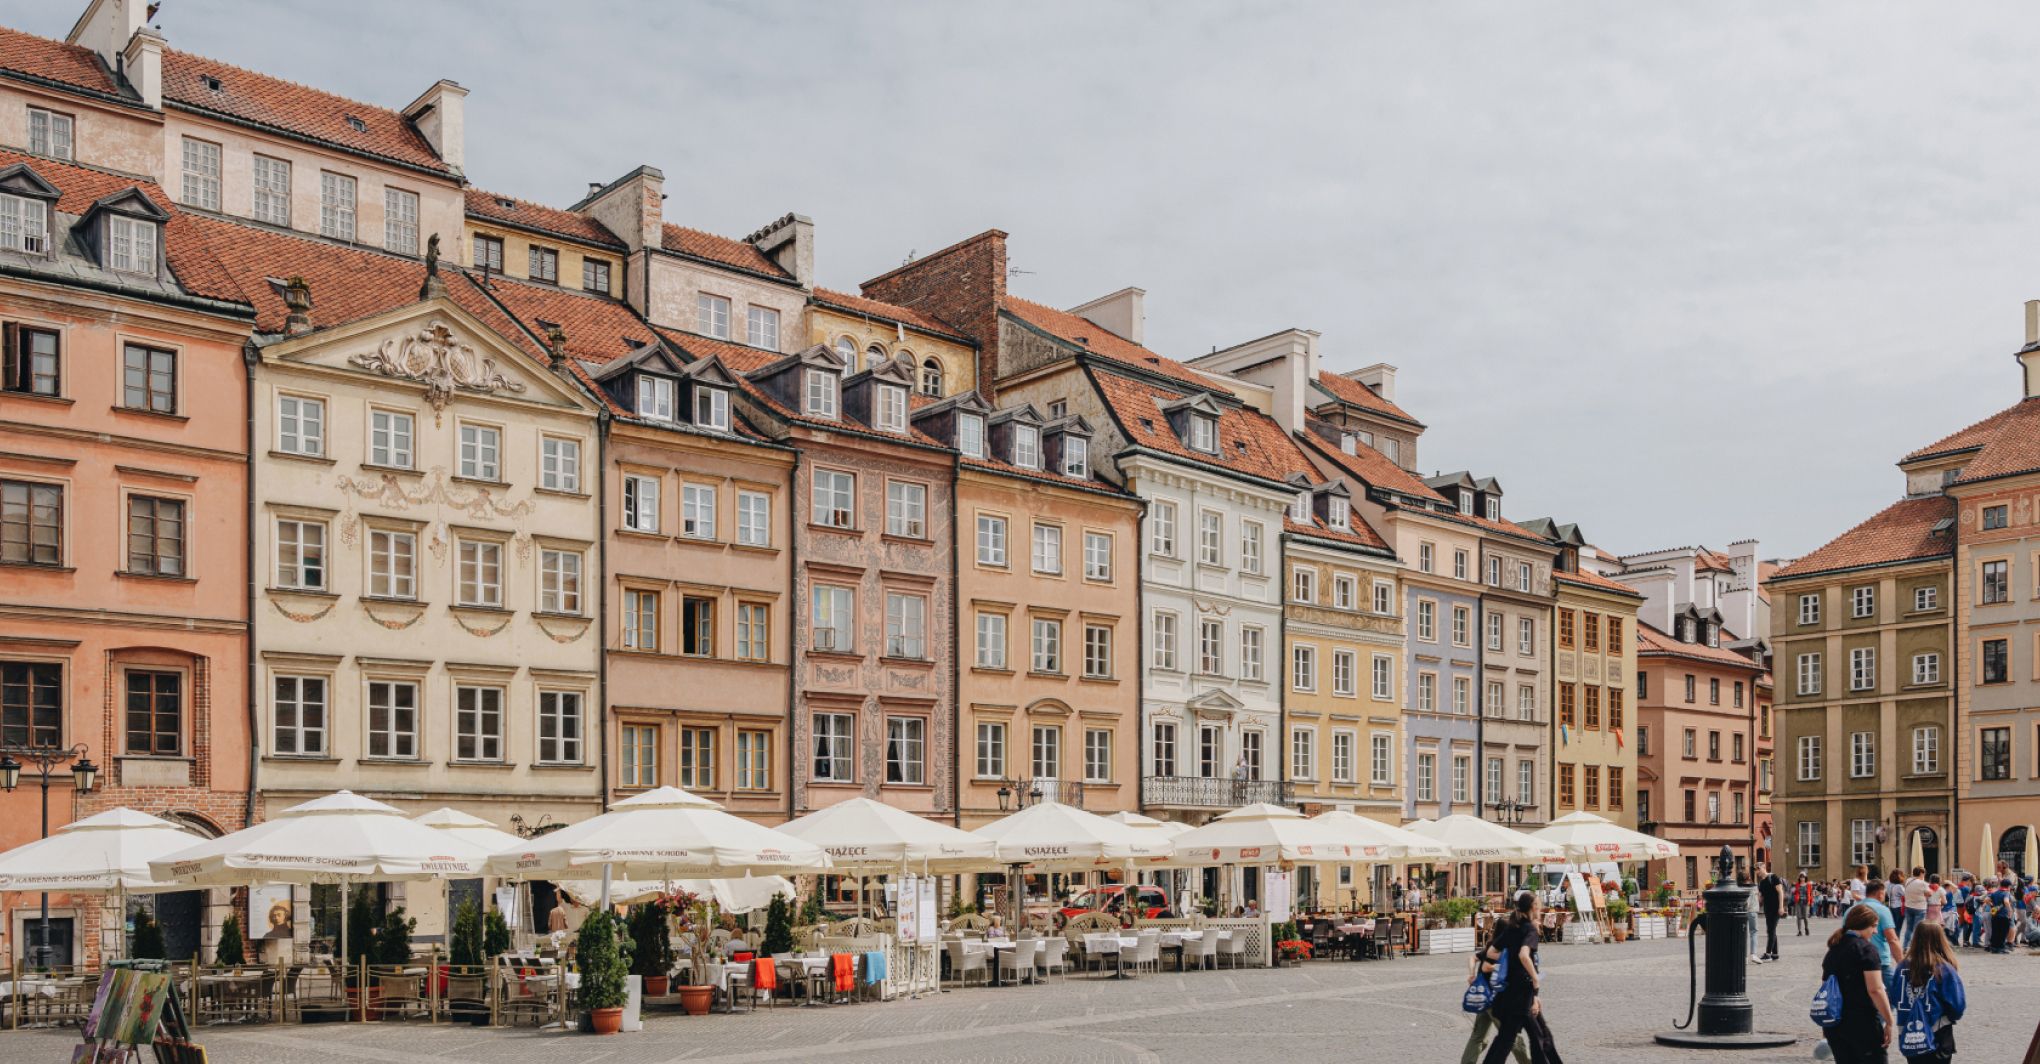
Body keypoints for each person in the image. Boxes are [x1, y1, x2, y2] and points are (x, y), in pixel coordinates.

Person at [1478, 891, 1561, 1064]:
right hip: (1523, 992)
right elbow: (1524, 955)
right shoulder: (1529, 929)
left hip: (1511, 990)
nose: (1541, 909)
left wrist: (1510, 960)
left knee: (1533, 1034)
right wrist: (1535, 979)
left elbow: (1492, 952)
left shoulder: (1512, 927)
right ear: (1533, 908)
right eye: (1539, 905)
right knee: (1528, 1036)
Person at [1821, 904, 1896, 1064]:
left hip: (1836, 1025)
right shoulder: (1866, 950)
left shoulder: (1834, 949)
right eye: (1874, 926)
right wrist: (1889, 1021)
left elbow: (1826, 990)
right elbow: (1875, 989)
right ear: (1863, 924)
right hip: (1862, 1023)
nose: (1875, 931)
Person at [1891, 920, 1965, 1062]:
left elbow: (1895, 996)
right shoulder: (1944, 969)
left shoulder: (1901, 967)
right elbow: (1957, 1006)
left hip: (1909, 1034)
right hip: (1937, 1034)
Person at [1461, 947, 1529, 1064]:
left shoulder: (1494, 945)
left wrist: (1472, 974)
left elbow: (1472, 958)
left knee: (1478, 1037)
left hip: (1483, 998)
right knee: (1510, 1035)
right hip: (1496, 1000)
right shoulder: (1501, 946)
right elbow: (1485, 966)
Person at [1861, 880, 1900, 974]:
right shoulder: (1883, 910)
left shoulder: (1852, 909)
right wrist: (1901, 963)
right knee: (1893, 987)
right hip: (1879, 959)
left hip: (1855, 959)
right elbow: (1892, 939)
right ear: (1880, 893)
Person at [1901, 868, 1929, 948]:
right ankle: (1917, 948)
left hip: (1909, 906)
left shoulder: (1908, 880)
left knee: (1909, 928)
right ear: (1921, 873)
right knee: (1918, 929)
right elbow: (1929, 893)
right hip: (1920, 908)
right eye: (1923, 874)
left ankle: (1905, 946)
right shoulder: (1922, 883)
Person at [1986, 879, 2013, 954]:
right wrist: (2010, 910)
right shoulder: (2006, 893)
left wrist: (1992, 905)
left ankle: (1994, 948)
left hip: (1995, 915)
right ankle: (2001, 948)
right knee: (2003, 932)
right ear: (2008, 886)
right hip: (2003, 915)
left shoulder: (1995, 892)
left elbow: (1987, 900)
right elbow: (2006, 901)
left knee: (1995, 932)